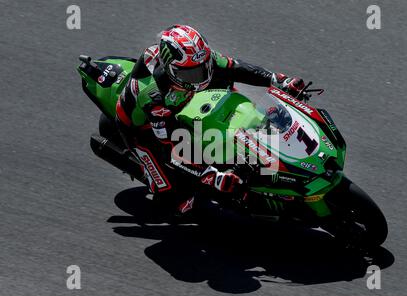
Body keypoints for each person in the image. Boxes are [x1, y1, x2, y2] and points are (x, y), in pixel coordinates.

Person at [115, 24, 306, 214]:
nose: (200, 76)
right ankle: (162, 185)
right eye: (191, 73)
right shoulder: (154, 96)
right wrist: (211, 175)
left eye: (203, 68)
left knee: (228, 86)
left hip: (187, 99)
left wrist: (278, 80)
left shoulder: (199, 58)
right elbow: (170, 149)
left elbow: (237, 68)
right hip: (143, 127)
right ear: (171, 70)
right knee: (178, 201)